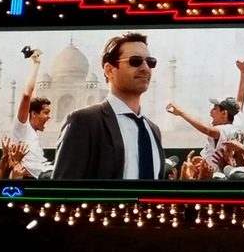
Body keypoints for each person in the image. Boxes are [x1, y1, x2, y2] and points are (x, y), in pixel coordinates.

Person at [52, 32, 166, 179]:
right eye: (135, 61)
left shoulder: (152, 129)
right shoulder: (84, 122)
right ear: (109, 70)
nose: (145, 68)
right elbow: (63, 192)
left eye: (150, 62)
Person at [166, 60, 244, 175]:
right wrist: (243, 72)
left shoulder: (224, 129)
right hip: (223, 172)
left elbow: (207, 130)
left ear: (224, 113)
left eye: (215, 109)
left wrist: (181, 113)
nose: (211, 112)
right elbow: (240, 100)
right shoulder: (237, 122)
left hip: (214, 176)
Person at [11, 49, 54, 179]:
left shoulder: (31, 133)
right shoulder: (22, 128)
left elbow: (32, 99)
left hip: (47, 167)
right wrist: (36, 65)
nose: (49, 116)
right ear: (34, 114)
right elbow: (26, 96)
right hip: (43, 175)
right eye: (46, 113)